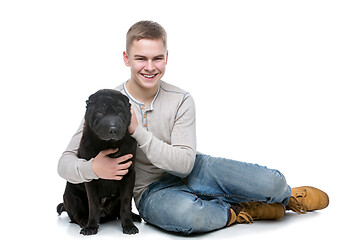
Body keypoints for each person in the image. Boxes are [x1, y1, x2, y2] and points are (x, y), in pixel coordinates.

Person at [58, 20, 329, 235]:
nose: (149, 67)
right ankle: (243, 209)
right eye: (141, 58)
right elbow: (64, 163)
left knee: (273, 181)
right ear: (127, 59)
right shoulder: (106, 104)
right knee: (190, 216)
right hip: (151, 191)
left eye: (157, 58)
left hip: (192, 168)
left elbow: (185, 164)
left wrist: (137, 131)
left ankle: (286, 198)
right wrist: (92, 169)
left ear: (167, 57)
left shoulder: (181, 99)